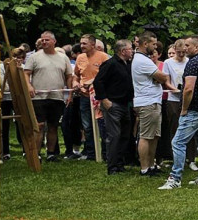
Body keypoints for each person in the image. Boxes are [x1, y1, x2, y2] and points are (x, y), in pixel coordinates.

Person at [158, 36, 198, 189]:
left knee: (177, 142)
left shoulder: (193, 63)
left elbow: (188, 88)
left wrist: (184, 108)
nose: (184, 48)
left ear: (196, 47)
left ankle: (175, 178)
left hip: (194, 109)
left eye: (187, 45)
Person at [25, 32, 75, 162]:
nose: (44, 42)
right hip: (38, 97)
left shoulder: (63, 58)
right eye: (42, 40)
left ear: (54, 41)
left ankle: (51, 153)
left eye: (47, 40)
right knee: (39, 125)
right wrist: (29, 86)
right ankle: (36, 154)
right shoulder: (34, 57)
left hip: (56, 97)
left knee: (53, 126)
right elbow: (26, 74)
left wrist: (69, 93)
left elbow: (69, 76)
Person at [91, 40, 134, 175]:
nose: (132, 51)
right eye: (130, 49)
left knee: (125, 135)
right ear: (123, 51)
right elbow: (98, 81)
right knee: (114, 135)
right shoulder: (110, 64)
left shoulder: (128, 64)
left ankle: (120, 163)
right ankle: (112, 166)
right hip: (113, 104)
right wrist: (104, 99)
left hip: (125, 104)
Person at [132, 32, 171, 177]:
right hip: (147, 102)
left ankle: (151, 164)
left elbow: (159, 78)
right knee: (146, 136)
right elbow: (162, 76)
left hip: (154, 101)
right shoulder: (142, 60)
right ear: (145, 43)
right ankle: (144, 168)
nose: (156, 47)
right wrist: (159, 78)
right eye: (153, 44)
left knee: (154, 135)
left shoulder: (145, 59)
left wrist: (158, 78)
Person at [72, 34, 108, 160]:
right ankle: (91, 153)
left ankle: (105, 153)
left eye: (84, 43)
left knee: (102, 124)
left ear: (93, 45)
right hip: (84, 96)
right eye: (81, 43)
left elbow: (108, 74)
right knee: (87, 125)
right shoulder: (80, 58)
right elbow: (76, 75)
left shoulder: (103, 57)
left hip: (100, 96)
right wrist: (76, 83)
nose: (81, 46)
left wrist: (92, 81)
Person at [160, 41, 188, 165]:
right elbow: (166, 81)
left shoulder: (189, 61)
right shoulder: (168, 63)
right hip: (173, 98)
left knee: (188, 127)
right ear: (174, 50)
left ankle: (190, 157)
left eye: (183, 52)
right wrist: (174, 89)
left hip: (186, 97)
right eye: (179, 52)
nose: (181, 55)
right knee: (174, 127)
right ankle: (175, 157)